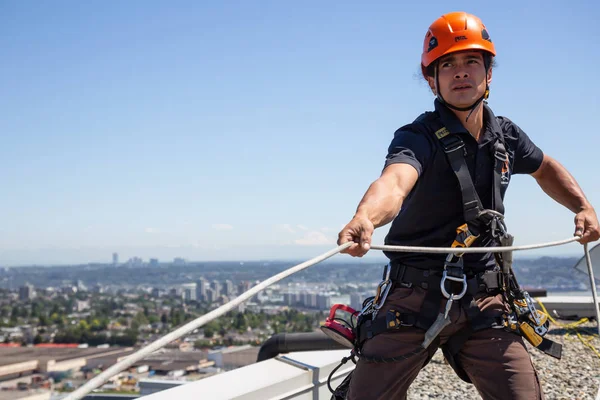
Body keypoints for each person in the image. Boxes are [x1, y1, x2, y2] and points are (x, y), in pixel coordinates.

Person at [336, 11, 600, 400]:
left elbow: (545, 168)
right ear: (432, 80)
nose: (461, 72)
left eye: (471, 62)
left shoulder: (506, 135)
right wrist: (365, 217)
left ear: (488, 73)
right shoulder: (418, 136)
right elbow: (395, 182)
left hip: (485, 299)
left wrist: (583, 206)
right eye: (448, 65)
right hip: (414, 295)